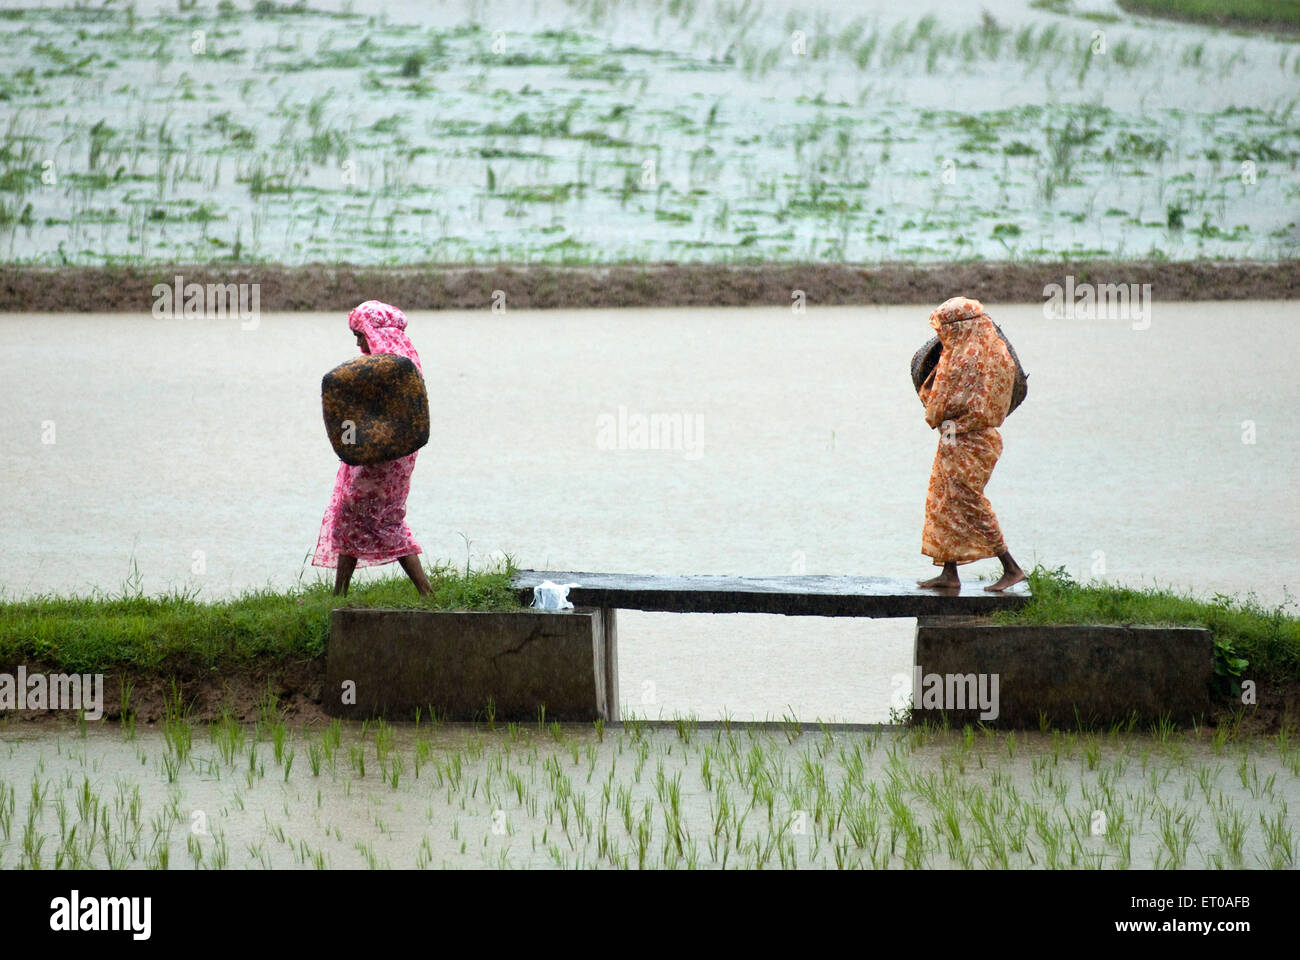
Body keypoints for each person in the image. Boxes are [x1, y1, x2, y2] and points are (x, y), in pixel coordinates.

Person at [312, 300, 432, 597]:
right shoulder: (398, 359)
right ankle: (339, 593)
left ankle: (426, 591)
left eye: (360, 334)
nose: (357, 341)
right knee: (352, 513)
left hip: (386, 456)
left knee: (381, 517)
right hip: (378, 451)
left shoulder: (394, 364)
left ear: (373, 331)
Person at [916, 296, 1025, 592]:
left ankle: (1011, 567)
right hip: (985, 437)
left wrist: (932, 409)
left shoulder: (961, 358)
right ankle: (949, 573)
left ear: (957, 327)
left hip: (963, 439)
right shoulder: (999, 353)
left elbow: (939, 405)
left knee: (968, 501)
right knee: (946, 501)